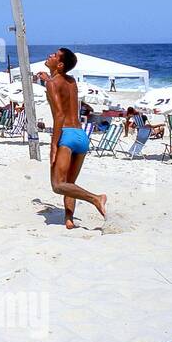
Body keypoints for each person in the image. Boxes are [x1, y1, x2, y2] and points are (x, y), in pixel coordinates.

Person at [44, 48, 107, 229]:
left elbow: (59, 116)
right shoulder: (71, 81)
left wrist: (53, 145)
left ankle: (96, 198)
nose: (50, 55)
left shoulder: (52, 83)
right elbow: (61, 87)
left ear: (61, 64)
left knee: (58, 185)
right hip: (81, 135)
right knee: (70, 183)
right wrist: (47, 78)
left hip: (66, 134)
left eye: (55, 55)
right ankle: (69, 219)